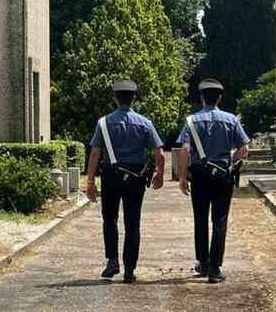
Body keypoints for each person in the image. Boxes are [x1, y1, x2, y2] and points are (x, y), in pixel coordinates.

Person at [86, 79, 166, 284]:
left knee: (110, 218)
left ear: (115, 98)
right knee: (133, 224)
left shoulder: (103, 123)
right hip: (136, 178)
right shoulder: (145, 123)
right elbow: (160, 153)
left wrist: (90, 182)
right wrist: (159, 173)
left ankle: (112, 262)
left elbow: (95, 153)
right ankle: (130, 270)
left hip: (111, 176)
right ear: (134, 98)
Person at [177, 78, 250, 284]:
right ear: (219, 98)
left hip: (199, 175)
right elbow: (244, 149)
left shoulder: (191, 121)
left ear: (201, 98)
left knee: (200, 219)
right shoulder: (231, 120)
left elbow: (184, 149)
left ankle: (203, 263)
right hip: (222, 175)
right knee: (219, 220)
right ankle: (215, 268)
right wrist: (230, 162)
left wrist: (182, 177)